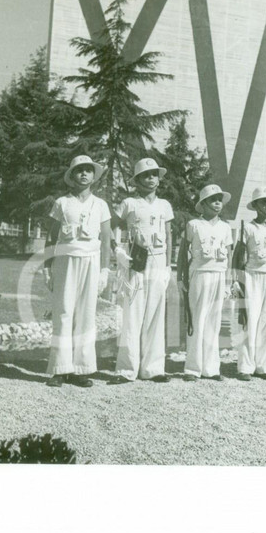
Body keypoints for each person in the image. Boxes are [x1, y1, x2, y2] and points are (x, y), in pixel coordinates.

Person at [44, 154, 111, 387]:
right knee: (63, 312)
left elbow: (107, 241)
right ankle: (60, 369)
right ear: (72, 176)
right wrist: (47, 267)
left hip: (91, 261)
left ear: (94, 176)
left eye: (88, 170)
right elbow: (50, 238)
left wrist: (105, 270)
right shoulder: (62, 203)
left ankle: (81, 369)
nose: (84, 173)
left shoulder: (101, 205)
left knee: (86, 314)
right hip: (65, 260)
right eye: (79, 170)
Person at [108, 157, 174, 384]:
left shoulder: (165, 205)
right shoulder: (129, 203)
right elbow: (109, 227)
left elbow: (170, 234)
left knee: (156, 314)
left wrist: (168, 265)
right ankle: (126, 369)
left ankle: (153, 368)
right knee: (132, 313)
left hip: (158, 260)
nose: (151, 179)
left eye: (154, 174)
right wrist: (117, 250)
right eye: (145, 175)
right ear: (136, 180)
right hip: (137, 260)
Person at [177, 184, 233, 382]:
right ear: (204, 203)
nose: (217, 203)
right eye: (213, 199)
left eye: (220, 199)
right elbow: (183, 253)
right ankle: (192, 368)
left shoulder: (226, 227)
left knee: (214, 322)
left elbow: (230, 255)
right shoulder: (193, 225)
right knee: (197, 320)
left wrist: (228, 282)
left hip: (218, 275)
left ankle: (211, 368)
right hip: (199, 274)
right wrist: (180, 278)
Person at [232, 186, 266, 381]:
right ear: (255, 205)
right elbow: (237, 256)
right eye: (263, 201)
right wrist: (235, 282)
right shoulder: (246, 227)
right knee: (249, 320)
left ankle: (263, 366)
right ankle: (245, 367)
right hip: (251, 276)